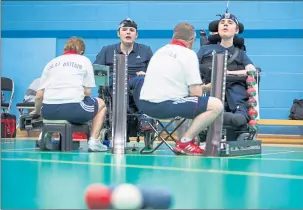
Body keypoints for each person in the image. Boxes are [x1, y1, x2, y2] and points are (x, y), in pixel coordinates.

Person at [139, 22, 224, 156]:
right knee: (216, 105)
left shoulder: (160, 51)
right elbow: (196, 94)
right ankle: (185, 142)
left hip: (145, 106)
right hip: (164, 106)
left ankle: (181, 140)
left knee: (182, 100)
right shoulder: (188, 54)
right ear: (192, 41)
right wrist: (208, 87)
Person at [32, 37, 108, 152]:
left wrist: (37, 112)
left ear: (64, 49)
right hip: (73, 109)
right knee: (101, 103)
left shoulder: (51, 63)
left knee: (54, 108)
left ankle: (43, 135)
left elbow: (38, 95)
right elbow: (87, 92)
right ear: (81, 51)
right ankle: (94, 141)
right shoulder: (84, 60)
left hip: (48, 112)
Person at [197, 13, 257, 127]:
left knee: (239, 115)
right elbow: (192, 67)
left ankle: (231, 116)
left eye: (230, 23)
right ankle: (221, 115)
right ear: (218, 28)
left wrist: (227, 73)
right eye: (222, 23)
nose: (225, 25)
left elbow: (252, 71)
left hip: (235, 90)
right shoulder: (205, 49)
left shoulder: (240, 53)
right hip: (210, 87)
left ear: (237, 30)